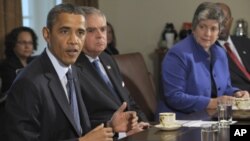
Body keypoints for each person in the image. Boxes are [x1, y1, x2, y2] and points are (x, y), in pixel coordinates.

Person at [3, 3, 138, 141]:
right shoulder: (29, 82)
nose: (74, 41)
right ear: (47, 34)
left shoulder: (72, 70)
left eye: (80, 32)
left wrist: (110, 126)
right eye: (64, 31)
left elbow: (74, 128)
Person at [156, 2, 249, 118]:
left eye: (213, 28)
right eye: (202, 27)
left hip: (212, 119)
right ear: (194, 27)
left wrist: (236, 93)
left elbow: (225, 88)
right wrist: (214, 102)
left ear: (219, 32)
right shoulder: (177, 54)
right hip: (180, 123)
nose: (208, 34)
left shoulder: (220, 53)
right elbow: (174, 97)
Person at [75, 6, 149, 137]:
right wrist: (119, 131)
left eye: (103, 29)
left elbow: (129, 100)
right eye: (91, 30)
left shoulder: (107, 59)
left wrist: (144, 124)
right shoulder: (73, 67)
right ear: (80, 33)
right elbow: (80, 120)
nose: (100, 35)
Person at [216, 2, 250, 92]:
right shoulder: (209, 49)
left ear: (231, 21)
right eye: (217, 19)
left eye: (225, 19)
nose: (221, 24)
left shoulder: (245, 42)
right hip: (240, 96)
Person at [0, 26, 38, 94]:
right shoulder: (6, 65)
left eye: (30, 43)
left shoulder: (35, 62)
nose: (27, 46)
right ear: (13, 44)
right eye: (23, 43)